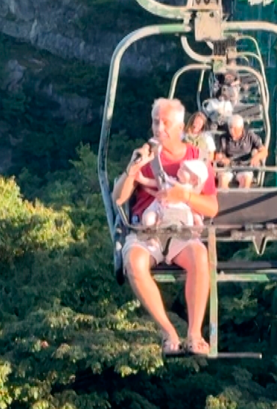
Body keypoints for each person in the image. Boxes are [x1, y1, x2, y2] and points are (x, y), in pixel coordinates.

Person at [114, 98, 219, 356]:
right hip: (147, 230)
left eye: (165, 123)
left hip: (180, 229)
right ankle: (168, 331)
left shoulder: (197, 160)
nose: (159, 128)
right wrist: (133, 168)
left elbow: (211, 207)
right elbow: (118, 198)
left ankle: (194, 333)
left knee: (200, 256)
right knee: (134, 261)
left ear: (180, 127)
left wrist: (185, 196)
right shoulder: (146, 157)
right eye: (155, 122)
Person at [140, 157, 211, 230]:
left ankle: (192, 231)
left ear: (193, 180)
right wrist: (142, 180)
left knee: (193, 217)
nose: (180, 169)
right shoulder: (170, 180)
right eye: (182, 167)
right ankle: (152, 229)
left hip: (180, 213)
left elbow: (183, 192)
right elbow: (157, 183)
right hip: (160, 208)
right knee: (149, 219)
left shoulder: (189, 191)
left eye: (185, 169)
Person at [215, 114, 267, 188]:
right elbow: (218, 155)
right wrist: (222, 159)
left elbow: (264, 151)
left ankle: (243, 194)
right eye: (230, 127)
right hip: (228, 166)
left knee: (245, 181)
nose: (232, 131)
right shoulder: (223, 138)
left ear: (241, 128)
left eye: (235, 128)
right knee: (222, 179)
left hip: (245, 166)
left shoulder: (250, 136)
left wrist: (257, 157)